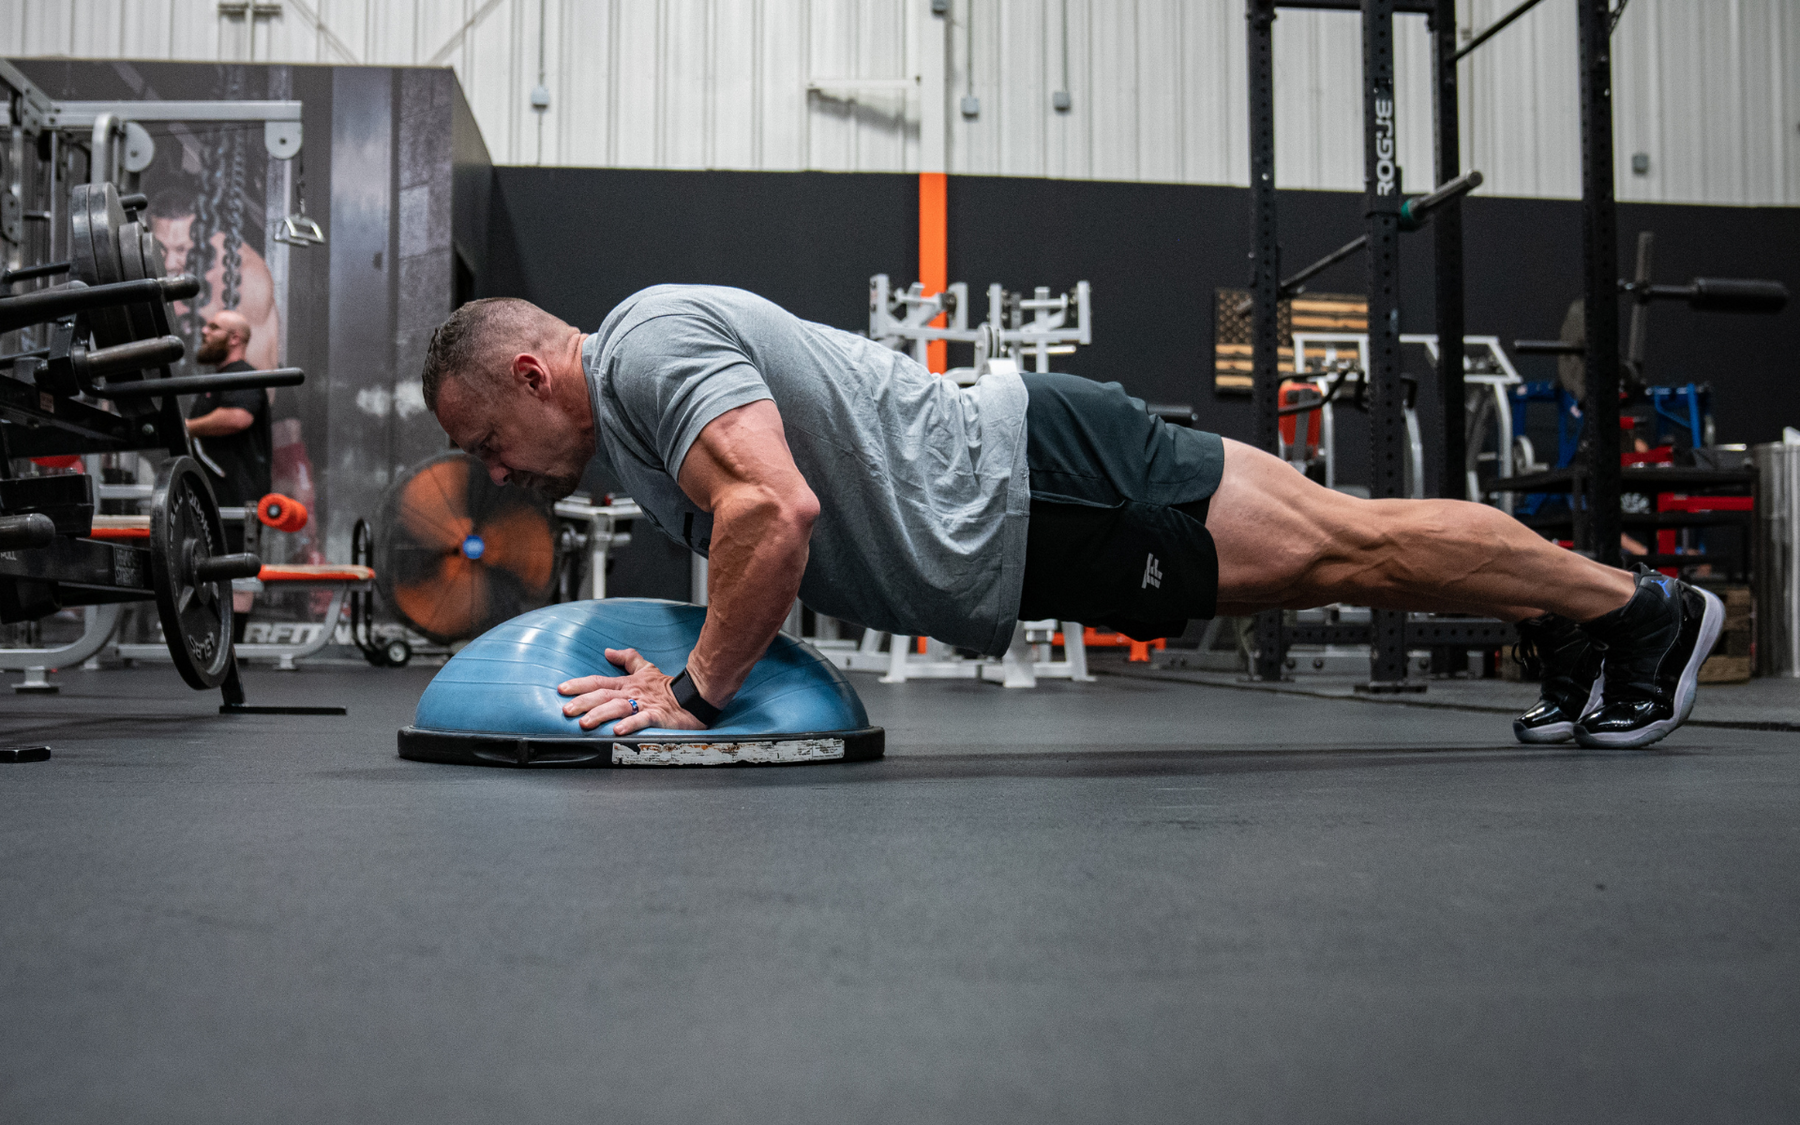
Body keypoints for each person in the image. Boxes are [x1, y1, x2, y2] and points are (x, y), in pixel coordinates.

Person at [420, 288, 1723, 751]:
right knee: (1352, 548)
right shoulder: (643, 409)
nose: (509, 472)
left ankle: (1639, 610)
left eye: (489, 441)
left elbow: (776, 507)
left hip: (1037, 487)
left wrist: (695, 697)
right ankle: (1586, 614)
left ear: (532, 372)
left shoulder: (644, 348)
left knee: (1351, 544)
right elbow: (755, 524)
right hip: (1032, 494)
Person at [185, 310, 271, 624]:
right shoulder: (220, 379)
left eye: (214, 327)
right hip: (212, 498)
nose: (205, 332)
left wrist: (188, 426)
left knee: (235, 576)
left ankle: (234, 656)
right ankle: (217, 655)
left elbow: (238, 417)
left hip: (237, 498)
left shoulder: (243, 375)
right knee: (208, 574)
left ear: (234, 338)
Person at [147, 191, 283, 372]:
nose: (169, 264)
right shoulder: (144, 262)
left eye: (181, 249)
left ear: (204, 237)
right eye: (161, 248)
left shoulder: (248, 279)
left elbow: (258, 380)